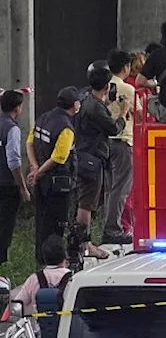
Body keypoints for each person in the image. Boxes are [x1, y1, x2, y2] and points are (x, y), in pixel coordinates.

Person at [74, 67, 122, 260]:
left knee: (91, 201)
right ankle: (84, 243)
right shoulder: (95, 107)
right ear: (106, 86)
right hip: (92, 160)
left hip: (87, 156)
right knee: (87, 203)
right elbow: (113, 128)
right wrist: (122, 114)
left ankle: (84, 241)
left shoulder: (88, 100)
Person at [27, 88, 79, 264]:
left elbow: (30, 143)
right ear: (74, 105)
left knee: (42, 222)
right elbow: (59, 157)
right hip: (57, 183)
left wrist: (35, 168)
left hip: (41, 183)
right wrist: (39, 171)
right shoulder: (66, 128)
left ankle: (41, 261)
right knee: (56, 225)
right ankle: (54, 264)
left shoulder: (43, 118)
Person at [103, 51, 135, 245]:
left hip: (105, 142)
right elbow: (139, 112)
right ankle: (114, 229)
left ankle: (109, 225)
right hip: (123, 140)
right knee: (121, 189)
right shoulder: (127, 89)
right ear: (126, 67)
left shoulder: (105, 87)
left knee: (109, 188)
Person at [15, 236, 71, 338]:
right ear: (65, 256)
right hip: (68, 336)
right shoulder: (73, 278)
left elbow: (17, 305)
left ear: (44, 258)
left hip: (41, 337)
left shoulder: (34, 279)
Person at [0, 91, 27, 265]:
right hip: (7, 186)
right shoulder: (12, 128)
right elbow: (14, 162)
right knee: (4, 227)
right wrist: (22, 188)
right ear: (18, 108)